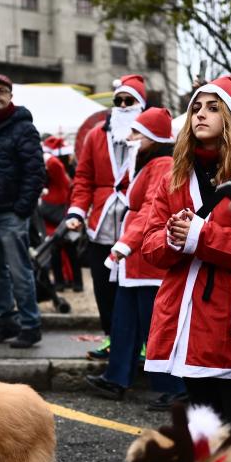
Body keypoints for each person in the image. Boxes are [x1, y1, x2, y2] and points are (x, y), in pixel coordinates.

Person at [142, 76, 231, 425]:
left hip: (230, 318)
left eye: (213, 108)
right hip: (184, 316)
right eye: (196, 107)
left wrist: (202, 237)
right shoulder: (174, 176)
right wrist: (172, 238)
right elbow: (149, 245)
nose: (200, 115)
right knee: (202, 428)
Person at [84, 108, 187, 410]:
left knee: (153, 327)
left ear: (153, 137)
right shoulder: (148, 162)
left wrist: (125, 245)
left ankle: (175, 387)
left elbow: (151, 211)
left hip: (146, 259)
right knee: (125, 322)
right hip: (136, 261)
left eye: (137, 132)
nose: (129, 137)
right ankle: (116, 378)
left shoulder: (162, 164)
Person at [68, 75, 147, 360]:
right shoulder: (95, 135)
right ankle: (112, 339)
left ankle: (141, 342)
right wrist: (77, 210)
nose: (124, 106)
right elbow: (83, 178)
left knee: (135, 288)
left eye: (131, 101)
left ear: (142, 105)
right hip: (100, 224)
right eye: (120, 101)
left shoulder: (148, 138)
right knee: (103, 287)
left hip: (135, 225)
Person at [0, 74, 46, 348]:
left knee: (20, 272)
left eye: (1, 90)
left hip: (11, 215)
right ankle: (7, 321)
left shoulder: (23, 128)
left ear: (10, 94)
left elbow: (35, 172)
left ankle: (31, 325)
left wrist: (21, 210)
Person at [41, 136, 82, 292]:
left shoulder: (57, 167)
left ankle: (70, 281)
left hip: (63, 212)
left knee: (68, 249)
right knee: (57, 249)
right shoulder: (59, 168)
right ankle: (65, 281)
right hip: (58, 212)